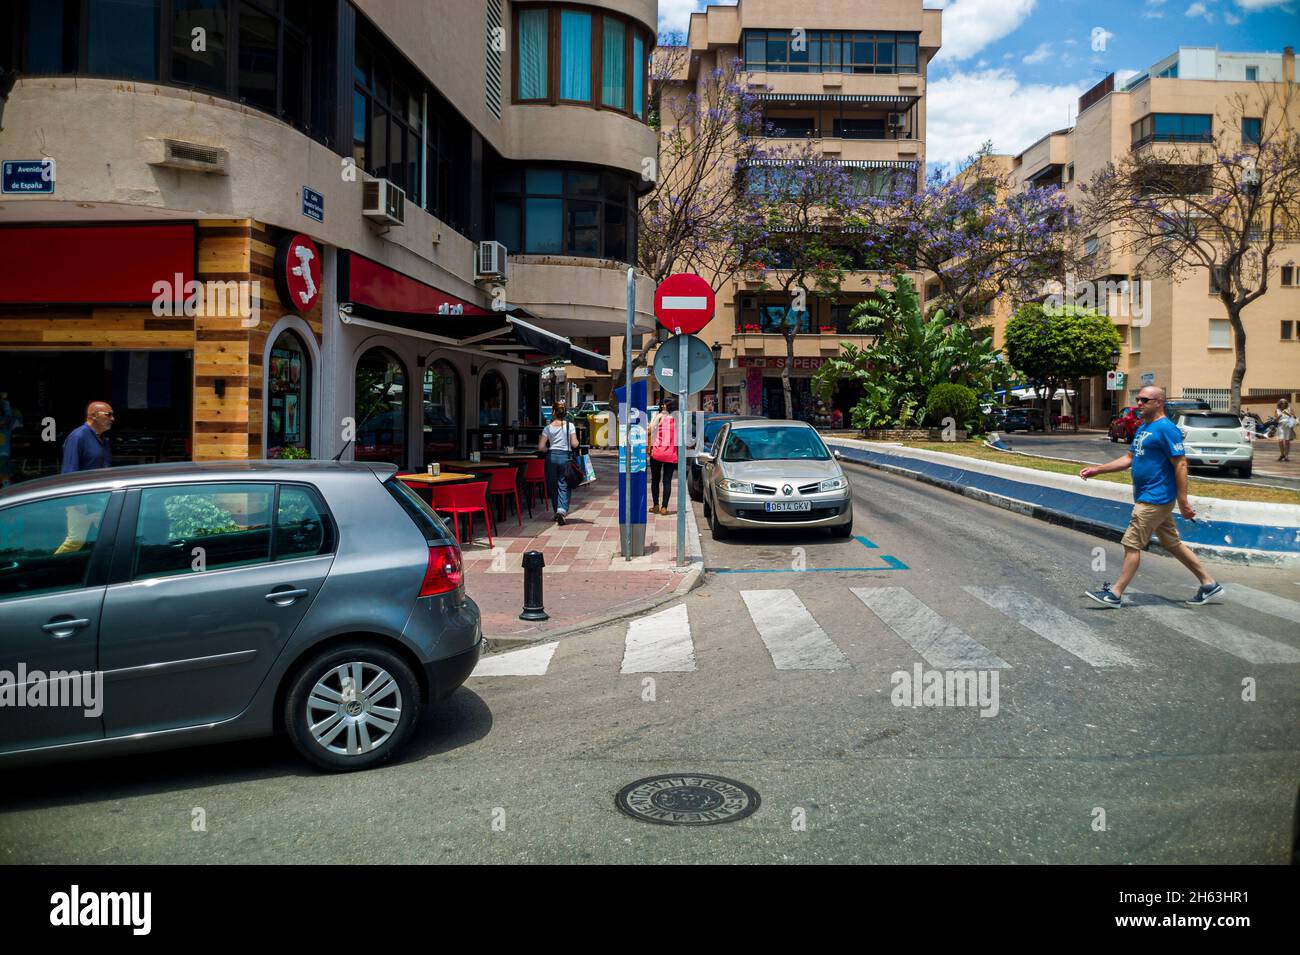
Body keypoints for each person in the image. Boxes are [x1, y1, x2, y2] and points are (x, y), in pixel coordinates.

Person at [1080, 386, 1221, 607]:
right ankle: (1209, 584)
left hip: (1155, 497)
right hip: (1149, 495)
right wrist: (1098, 469)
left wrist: (1183, 501)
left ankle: (1115, 594)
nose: (1139, 403)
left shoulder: (1167, 429)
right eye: (1138, 399)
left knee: (1131, 544)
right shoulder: (1144, 427)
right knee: (1172, 543)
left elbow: (1181, 464)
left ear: (1158, 402)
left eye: (1144, 400)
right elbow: (1128, 459)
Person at [537, 403, 578, 525]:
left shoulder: (547, 428)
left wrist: (547, 450)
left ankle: (557, 512)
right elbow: (575, 444)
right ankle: (561, 511)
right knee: (564, 484)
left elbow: (541, 447)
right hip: (565, 457)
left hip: (552, 457)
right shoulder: (570, 426)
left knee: (553, 485)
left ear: (554, 412)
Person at [62, 401, 114, 473]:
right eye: (108, 415)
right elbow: (69, 472)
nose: (112, 419)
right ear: (94, 415)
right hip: (85, 484)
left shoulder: (104, 438)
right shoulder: (77, 437)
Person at [649, 397, 679, 515]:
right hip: (671, 454)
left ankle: (656, 505)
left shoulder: (659, 416)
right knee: (667, 481)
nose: (662, 406)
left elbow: (650, 429)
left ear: (667, 406)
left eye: (664, 404)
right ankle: (664, 507)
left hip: (657, 452)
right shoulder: (677, 419)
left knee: (655, 480)